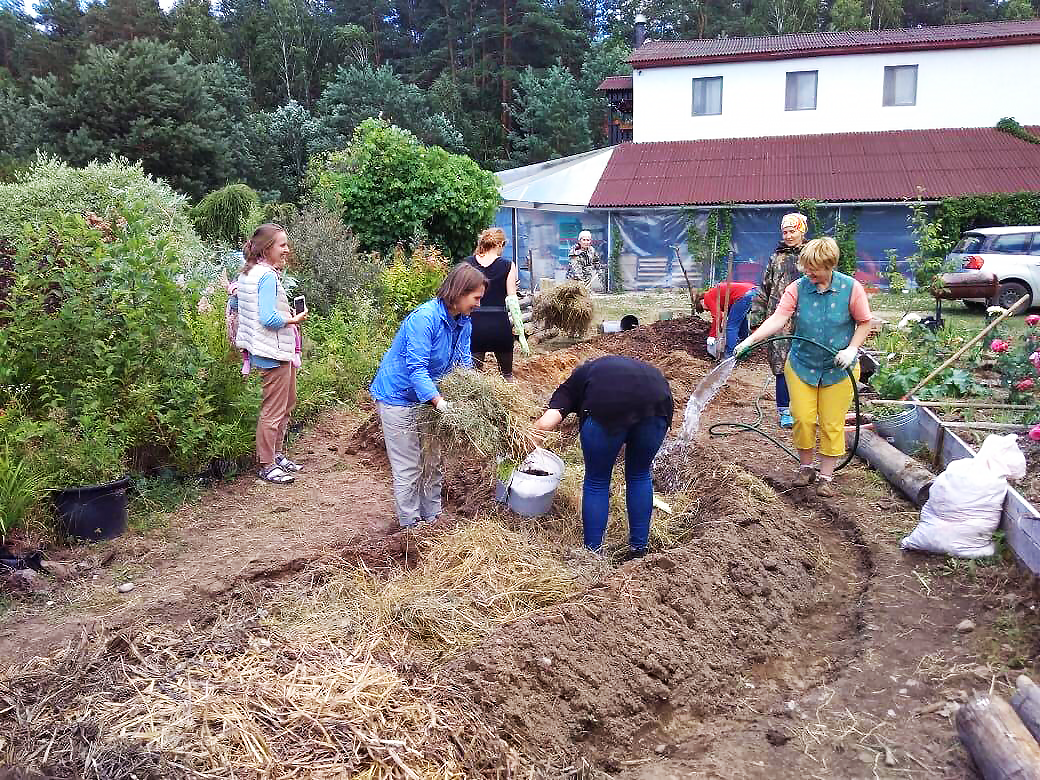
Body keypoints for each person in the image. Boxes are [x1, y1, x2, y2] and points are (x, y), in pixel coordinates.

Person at [735, 237, 872, 498]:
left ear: (829, 265)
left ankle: (826, 477)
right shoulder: (798, 288)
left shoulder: (850, 288)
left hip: (838, 369)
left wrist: (852, 349)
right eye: (805, 267)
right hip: (802, 365)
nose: (807, 272)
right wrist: (750, 340)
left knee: (831, 424)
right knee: (802, 418)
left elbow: (865, 322)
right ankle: (806, 467)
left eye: (814, 268)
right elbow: (779, 317)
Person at [370, 264, 487, 529]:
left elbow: (464, 362)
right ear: (459, 292)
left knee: (432, 462)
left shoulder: (463, 321)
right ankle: (410, 526)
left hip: (430, 398)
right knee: (409, 467)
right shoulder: (425, 318)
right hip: (399, 397)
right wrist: (440, 402)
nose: (479, 304)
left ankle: (432, 517)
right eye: (476, 298)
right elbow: (416, 368)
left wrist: (472, 394)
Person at [532, 356, 673, 559]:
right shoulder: (610, 368)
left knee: (597, 481)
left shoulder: (573, 383)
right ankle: (639, 549)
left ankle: (593, 553)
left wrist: (519, 451)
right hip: (658, 401)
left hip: (607, 404)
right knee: (639, 474)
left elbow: (545, 425)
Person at [233, 224, 309, 484]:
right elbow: (268, 318)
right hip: (273, 350)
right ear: (267, 249)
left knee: (286, 403)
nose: (287, 250)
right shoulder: (265, 276)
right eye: (282, 245)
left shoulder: (247, 273)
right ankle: (267, 465)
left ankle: (276, 456)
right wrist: (293, 319)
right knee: (274, 410)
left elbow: (236, 303)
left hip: (269, 349)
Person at [753, 212, 808, 429]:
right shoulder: (776, 258)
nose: (788, 235)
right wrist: (756, 317)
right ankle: (784, 410)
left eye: (792, 231)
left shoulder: (810, 255)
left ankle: (804, 407)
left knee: (806, 360)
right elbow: (764, 288)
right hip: (778, 317)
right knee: (781, 363)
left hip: (807, 317)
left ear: (802, 231)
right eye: (785, 232)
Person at [462, 228, 529, 380]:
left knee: (474, 378)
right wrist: (521, 335)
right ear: (499, 244)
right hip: (500, 324)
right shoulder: (508, 265)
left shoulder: (467, 263)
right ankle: (510, 403)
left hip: (474, 325)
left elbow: (461, 295)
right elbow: (512, 300)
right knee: (507, 376)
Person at [693, 281, 757, 358]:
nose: (707, 310)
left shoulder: (707, 297)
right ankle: (745, 349)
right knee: (741, 323)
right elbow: (722, 315)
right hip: (752, 290)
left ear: (701, 302)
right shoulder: (716, 296)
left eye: (704, 309)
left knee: (731, 327)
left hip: (743, 295)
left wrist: (712, 336)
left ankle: (729, 355)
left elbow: (718, 316)